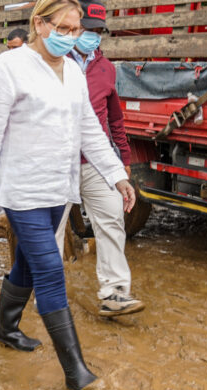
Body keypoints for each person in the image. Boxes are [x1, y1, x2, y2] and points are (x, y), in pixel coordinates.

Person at [0, 0, 134, 390]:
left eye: (76, 31)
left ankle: (6, 328)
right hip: (23, 190)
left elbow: (90, 130)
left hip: (60, 188)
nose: (72, 37)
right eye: (64, 28)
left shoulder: (74, 71)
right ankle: (76, 372)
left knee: (26, 264)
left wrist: (116, 175)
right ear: (39, 24)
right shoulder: (7, 68)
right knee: (50, 269)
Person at [56, 0, 143, 317]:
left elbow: (114, 119)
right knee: (51, 231)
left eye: (97, 31)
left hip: (96, 161)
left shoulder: (106, 68)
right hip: (58, 163)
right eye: (87, 30)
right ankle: (45, 293)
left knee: (112, 219)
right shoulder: (54, 61)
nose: (92, 36)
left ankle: (115, 293)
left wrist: (123, 158)